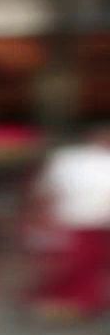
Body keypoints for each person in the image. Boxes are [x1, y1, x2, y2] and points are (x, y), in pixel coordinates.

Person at [31, 122, 110, 321]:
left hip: (98, 221)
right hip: (73, 219)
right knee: (73, 264)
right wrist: (43, 214)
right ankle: (64, 302)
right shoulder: (70, 159)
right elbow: (48, 189)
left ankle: (86, 302)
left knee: (93, 265)